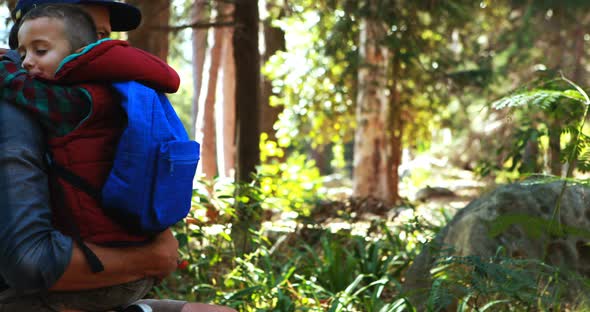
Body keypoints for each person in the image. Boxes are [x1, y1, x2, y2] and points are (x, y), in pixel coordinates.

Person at [0, 1, 236, 311]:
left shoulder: (94, 98)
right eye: (86, 32)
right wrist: (149, 258)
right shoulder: (15, 116)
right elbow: (28, 262)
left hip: (97, 287)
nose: (97, 48)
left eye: (102, 34)